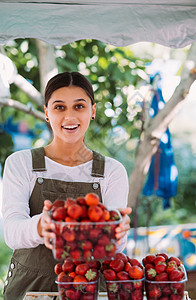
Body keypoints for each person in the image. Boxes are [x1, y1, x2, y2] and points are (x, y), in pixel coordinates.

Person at [2, 71, 132, 300]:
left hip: (90, 287)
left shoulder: (112, 172)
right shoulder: (21, 164)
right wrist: (41, 226)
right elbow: (11, 233)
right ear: (46, 112)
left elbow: (113, 245)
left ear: (92, 111)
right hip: (30, 289)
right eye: (59, 107)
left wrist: (119, 233)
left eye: (79, 106)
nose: (69, 117)